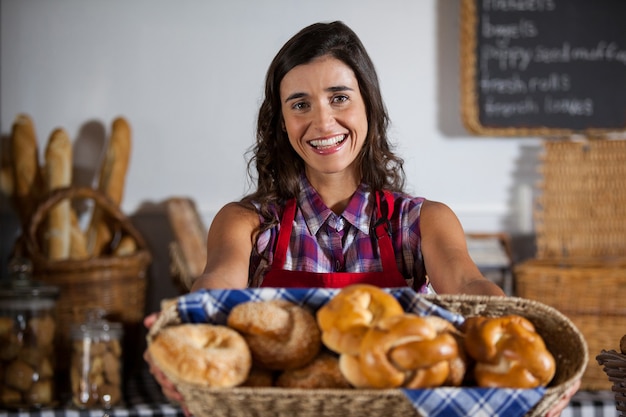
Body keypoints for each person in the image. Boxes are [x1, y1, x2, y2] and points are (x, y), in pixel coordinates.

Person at [145, 20, 579, 417]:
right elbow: (220, 281)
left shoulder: (422, 221)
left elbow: (468, 287)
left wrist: (520, 342)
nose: (322, 121)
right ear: (280, 124)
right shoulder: (248, 223)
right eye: (300, 104)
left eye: (339, 98)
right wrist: (186, 319)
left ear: (368, 105)